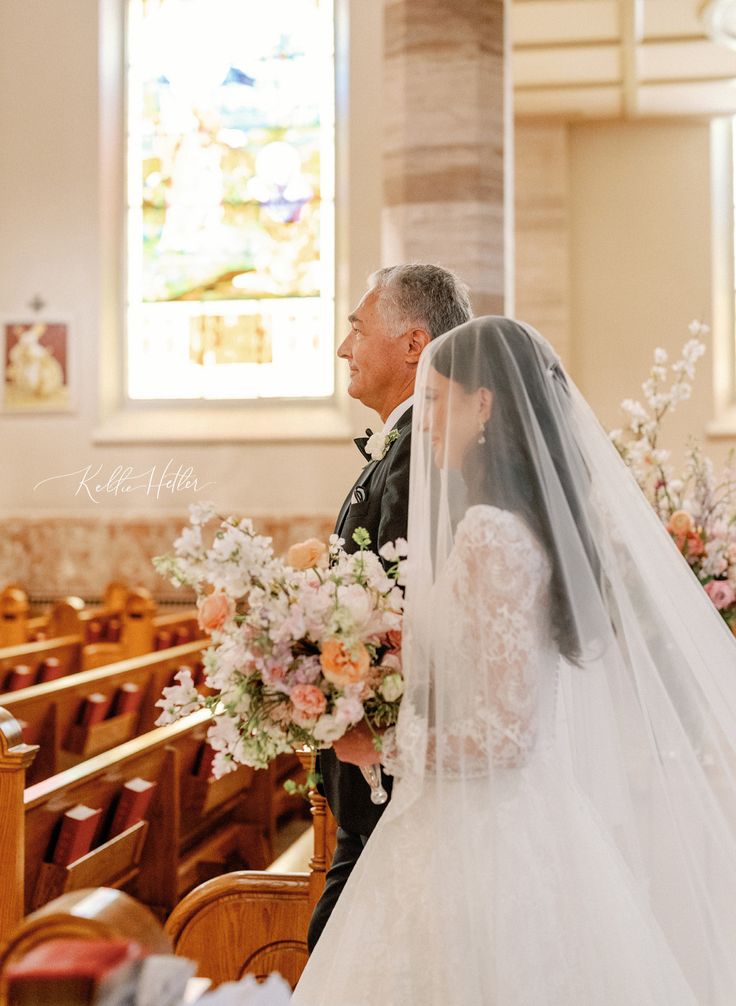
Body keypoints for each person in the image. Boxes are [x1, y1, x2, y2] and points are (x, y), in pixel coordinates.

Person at [294, 317, 736, 1004]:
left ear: (484, 405)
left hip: (480, 839)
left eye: (437, 400)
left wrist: (380, 743)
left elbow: (506, 734)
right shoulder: (510, 523)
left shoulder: (491, 532)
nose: (428, 419)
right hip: (487, 816)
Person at [307, 264, 473, 951]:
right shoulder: (401, 451)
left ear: (413, 343)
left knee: (347, 946)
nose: (345, 347)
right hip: (375, 758)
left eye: (355, 327)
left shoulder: (419, 460)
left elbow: (402, 613)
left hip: (389, 764)